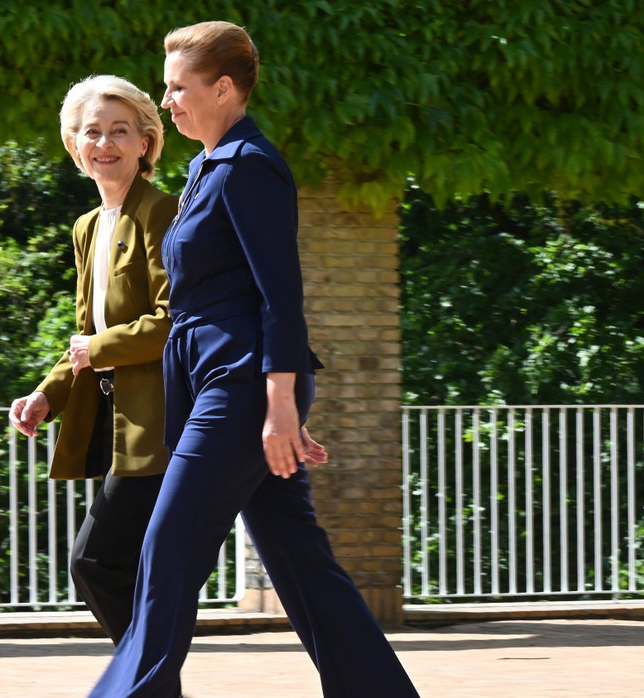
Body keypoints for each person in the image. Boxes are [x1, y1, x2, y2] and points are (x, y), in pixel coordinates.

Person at [88, 22, 420, 698]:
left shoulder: (248, 166)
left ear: (224, 88)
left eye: (179, 88)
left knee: (169, 547)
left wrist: (277, 404)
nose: (168, 100)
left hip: (238, 386)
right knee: (298, 559)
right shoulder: (208, 166)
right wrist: (283, 405)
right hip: (220, 381)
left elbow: (281, 293)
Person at [8, 74, 329, 651]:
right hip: (121, 423)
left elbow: (172, 318)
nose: (104, 142)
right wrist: (48, 394)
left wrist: (280, 403)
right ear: (74, 145)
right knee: (278, 554)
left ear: (145, 143)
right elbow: (89, 331)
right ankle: (151, 679)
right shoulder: (87, 227)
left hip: (170, 415)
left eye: (120, 131)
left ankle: (145, 681)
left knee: (100, 562)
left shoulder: (163, 212)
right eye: (92, 132)